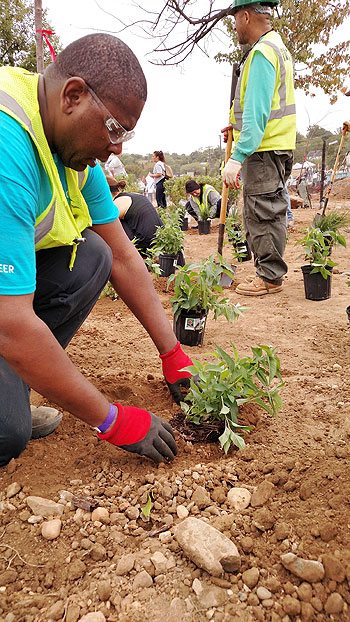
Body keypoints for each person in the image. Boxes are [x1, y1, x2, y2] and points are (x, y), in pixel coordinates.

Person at [0, 33, 196, 468]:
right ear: (73, 95)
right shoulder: (7, 143)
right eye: (114, 128)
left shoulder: (65, 145)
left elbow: (124, 255)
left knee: (94, 256)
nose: (117, 148)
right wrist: (111, 419)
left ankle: (10, 386)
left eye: (126, 133)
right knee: (5, 434)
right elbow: (10, 323)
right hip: (3, 317)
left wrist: (173, 354)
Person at [222, 0, 296, 296]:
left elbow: (258, 113)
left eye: (235, 20)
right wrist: (235, 128)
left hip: (264, 149)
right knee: (267, 208)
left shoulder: (263, 54)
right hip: (275, 145)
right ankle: (267, 272)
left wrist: (237, 156)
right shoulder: (276, 47)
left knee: (263, 211)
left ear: (246, 16)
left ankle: (269, 277)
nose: (235, 27)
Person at [105, 176, 163, 257]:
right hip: (159, 240)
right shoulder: (132, 196)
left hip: (145, 243)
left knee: (113, 222)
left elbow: (106, 222)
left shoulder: (118, 202)